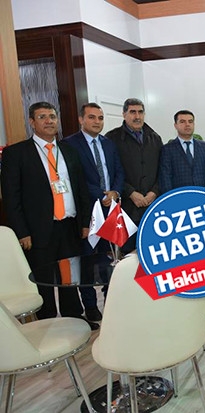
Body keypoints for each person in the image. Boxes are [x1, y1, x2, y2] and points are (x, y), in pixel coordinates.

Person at [0, 102, 96, 329]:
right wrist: (22, 232)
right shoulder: (17, 153)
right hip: (38, 230)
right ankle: (48, 324)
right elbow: (12, 198)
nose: (49, 121)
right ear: (32, 122)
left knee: (69, 276)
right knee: (44, 280)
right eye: (42, 116)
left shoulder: (69, 151)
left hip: (69, 226)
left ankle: (74, 317)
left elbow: (80, 189)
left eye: (52, 116)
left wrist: (84, 223)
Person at [64, 103, 125, 322]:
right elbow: (75, 177)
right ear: (81, 119)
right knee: (87, 262)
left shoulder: (108, 143)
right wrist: (100, 194)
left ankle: (111, 300)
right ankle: (90, 305)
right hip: (86, 212)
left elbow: (118, 171)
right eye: (91, 117)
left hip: (111, 209)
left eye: (100, 117)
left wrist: (115, 191)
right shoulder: (69, 144)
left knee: (110, 258)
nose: (97, 121)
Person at [106, 98, 163, 252]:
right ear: (124, 114)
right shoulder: (112, 138)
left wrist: (154, 192)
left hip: (152, 206)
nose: (137, 116)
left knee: (153, 251)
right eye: (132, 112)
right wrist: (130, 192)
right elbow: (110, 172)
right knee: (128, 255)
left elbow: (162, 170)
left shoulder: (155, 138)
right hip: (126, 208)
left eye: (140, 112)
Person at [159, 110, 205, 193]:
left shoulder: (204, 146)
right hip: (180, 196)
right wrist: (170, 198)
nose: (187, 124)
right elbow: (165, 178)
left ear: (194, 124)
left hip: (202, 194)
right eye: (182, 122)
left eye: (190, 121)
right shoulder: (167, 149)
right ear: (175, 125)